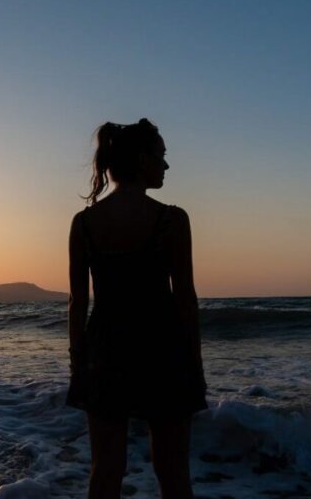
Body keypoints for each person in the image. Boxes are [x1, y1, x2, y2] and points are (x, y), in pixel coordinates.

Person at [66, 118, 208, 499]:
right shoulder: (172, 220)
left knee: (106, 470)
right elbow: (185, 298)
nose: (165, 165)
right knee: (174, 471)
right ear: (142, 159)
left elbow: (78, 302)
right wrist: (195, 362)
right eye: (161, 156)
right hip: (163, 349)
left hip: (105, 350)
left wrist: (78, 361)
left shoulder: (84, 224)